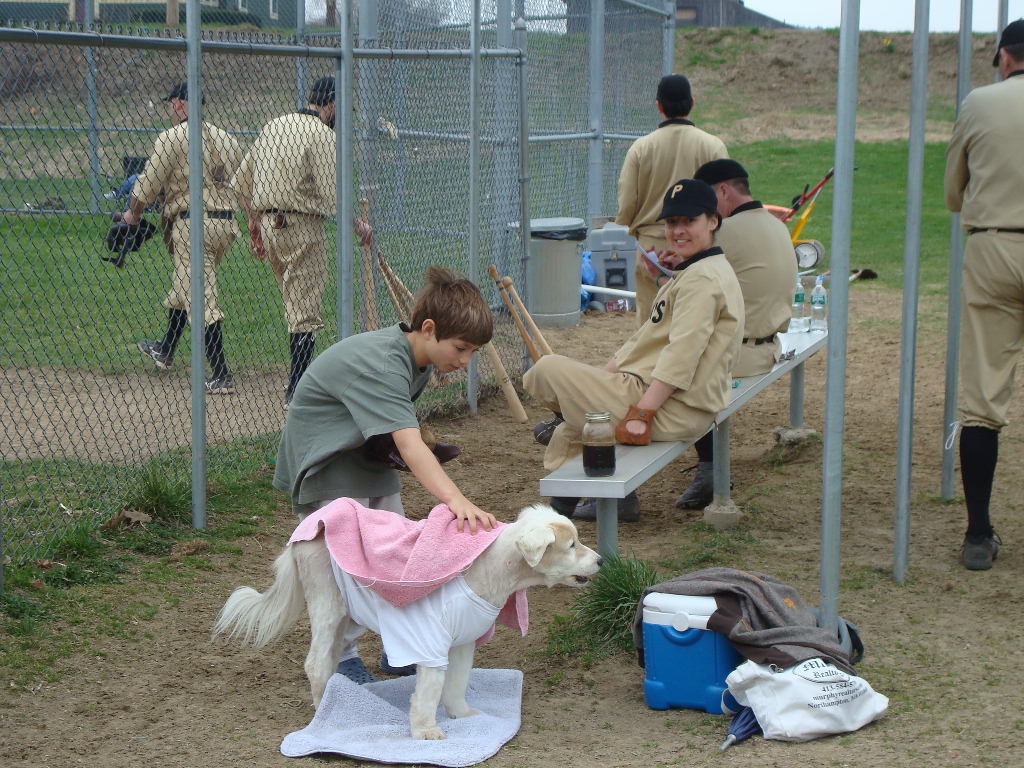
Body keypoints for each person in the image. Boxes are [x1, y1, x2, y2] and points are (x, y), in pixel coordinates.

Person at [273, 265, 498, 680]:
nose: (466, 361)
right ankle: (342, 660)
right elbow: (409, 444)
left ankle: (398, 646)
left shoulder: (419, 358)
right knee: (347, 566)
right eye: (461, 348)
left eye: (472, 353)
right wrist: (455, 499)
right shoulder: (383, 362)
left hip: (361, 457)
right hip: (325, 463)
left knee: (394, 551)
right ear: (428, 329)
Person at [525, 179, 744, 522]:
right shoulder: (700, 270)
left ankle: (555, 514)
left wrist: (643, 414)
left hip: (673, 408)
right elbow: (651, 340)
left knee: (545, 370)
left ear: (713, 221)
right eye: (672, 222)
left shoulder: (702, 280)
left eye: (690, 221)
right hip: (671, 398)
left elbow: (681, 356)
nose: (678, 230)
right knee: (575, 425)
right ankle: (557, 519)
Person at [231, 76, 373, 409]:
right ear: (332, 104)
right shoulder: (322, 134)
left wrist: (253, 223)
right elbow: (334, 194)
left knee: (293, 306)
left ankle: (297, 383)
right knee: (304, 309)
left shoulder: (274, 125)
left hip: (268, 223)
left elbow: (241, 182)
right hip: (301, 226)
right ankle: (297, 390)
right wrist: (358, 225)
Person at [943, 19, 1024, 570]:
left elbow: (953, 192)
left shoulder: (980, 102)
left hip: (996, 247)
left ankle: (978, 534)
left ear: (1003, 58)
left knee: (982, 402)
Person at [674, 158, 797, 510]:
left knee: (659, 373)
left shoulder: (726, 231)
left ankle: (709, 471)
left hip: (738, 355)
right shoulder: (776, 225)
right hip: (768, 345)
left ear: (723, 191)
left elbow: (687, 290)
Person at [125, 81, 242, 394]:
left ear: (179, 103)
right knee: (185, 286)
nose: (171, 109)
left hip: (193, 226)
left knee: (200, 297)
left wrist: (132, 214)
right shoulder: (227, 138)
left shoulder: (172, 136)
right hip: (226, 226)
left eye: (172, 103)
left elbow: (148, 182)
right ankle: (165, 349)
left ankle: (221, 374)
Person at [615, 74, 728, 322]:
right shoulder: (712, 146)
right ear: (692, 103)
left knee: (650, 323)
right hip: (699, 245)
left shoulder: (641, 147)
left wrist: (632, 223)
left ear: (658, 105)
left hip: (652, 247)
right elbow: (723, 202)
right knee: (695, 318)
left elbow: (627, 204)